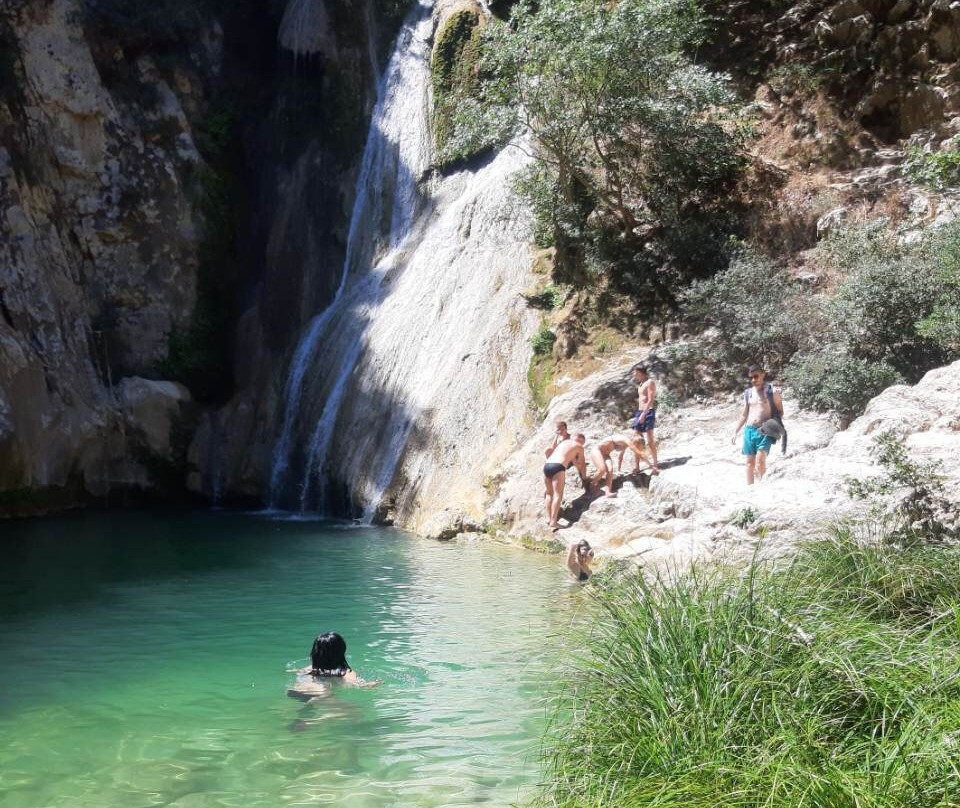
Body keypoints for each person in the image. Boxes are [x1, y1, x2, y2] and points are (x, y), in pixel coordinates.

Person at [731, 365, 785, 485]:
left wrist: (772, 424)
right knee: (750, 463)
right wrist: (735, 431)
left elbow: (780, 411)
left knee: (760, 462)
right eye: (751, 377)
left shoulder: (772, 392)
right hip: (749, 430)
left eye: (756, 376)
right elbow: (744, 415)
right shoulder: (748, 393)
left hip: (765, 431)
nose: (753, 380)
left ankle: (761, 487)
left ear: (763, 374)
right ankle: (749, 488)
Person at [287, 632, 378, 701]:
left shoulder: (310, 668)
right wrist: (372, 684)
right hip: (320, 694)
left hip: (296, 691)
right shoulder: (346, 672)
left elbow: (299, 672)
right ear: (341, 651)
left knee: (308, 706)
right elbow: (358, 684)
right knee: (355, 712)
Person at [542, 433, 589, 529]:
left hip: (547, 465)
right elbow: (581, 463)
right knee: (558, 495)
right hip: (558, 467)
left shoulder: (564, 443)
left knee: (549, 493)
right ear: (580, 440)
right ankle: (553, 521)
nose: (582, 445)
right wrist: (584, 477)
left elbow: (574, 462)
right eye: (583, 443)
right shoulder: (579, 446)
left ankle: (549, 518)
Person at [630, 364, 661, 474]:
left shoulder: (650, 383)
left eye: (635, 372)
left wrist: (644, 414)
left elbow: (650, 400)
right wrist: (640, 414)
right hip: (639, 412)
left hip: (648, 412)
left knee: (650, 441)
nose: (634, 374)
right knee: (636, 440)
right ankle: (637, 467)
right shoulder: (641, 384)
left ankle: (655, 465)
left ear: (640, 371)